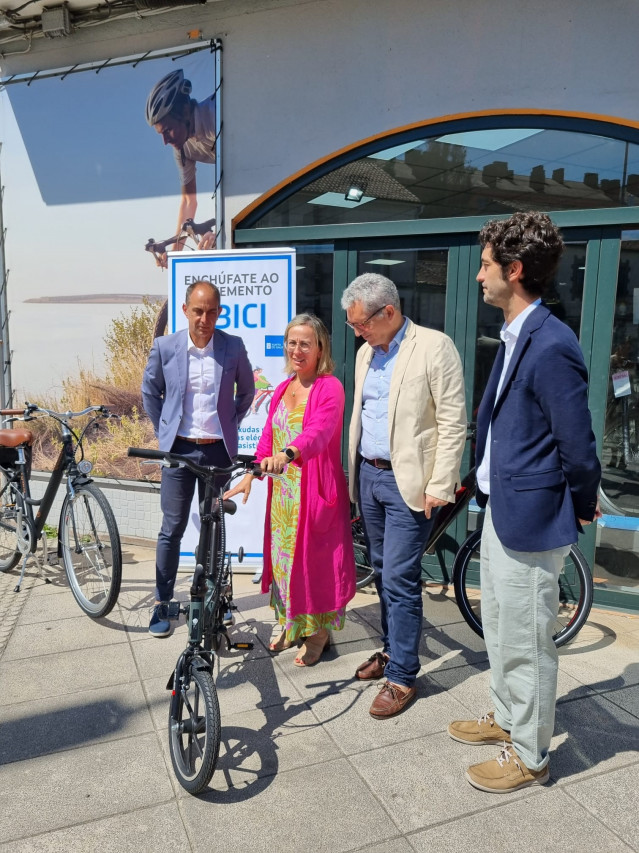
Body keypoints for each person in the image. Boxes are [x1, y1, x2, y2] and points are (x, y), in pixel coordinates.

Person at [448, 211, 601, 793]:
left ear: (514, 271)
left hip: (533, 520)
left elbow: (579, 446)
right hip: (503, 507)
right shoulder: (517, 335)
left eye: (486, 266)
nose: (479, 277)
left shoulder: (551, 344)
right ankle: (508, 718)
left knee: (529, 640)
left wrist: (581, 505)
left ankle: (531, 753)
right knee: (503, 628)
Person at [342, 274, 466, 718]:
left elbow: (453, 422)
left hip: (408, 482)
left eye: (362, 324)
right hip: (369, 477)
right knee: (379, 571)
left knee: (399, 577)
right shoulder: (364, 355)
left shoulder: (434, 347)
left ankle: (403, 677)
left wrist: (440, 483)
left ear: (388, 312)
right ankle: (392, 650)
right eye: (354, 325)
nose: (358, 332)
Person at [225, 313, 356, 666]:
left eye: (305, 343)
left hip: (314, 494)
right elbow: (269, 435)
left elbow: (318, 432)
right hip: (283, 496)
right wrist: (252, 473)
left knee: (315, 567)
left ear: (320, 348)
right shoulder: (284, 386)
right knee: (284, 564)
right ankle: (291, 623)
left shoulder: (329, 387)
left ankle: (318, 634)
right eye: (292, 342)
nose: (296, 350)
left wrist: (288, 454)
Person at [142, 280, 254, 636]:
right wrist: (166, 431)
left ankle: (214, 599)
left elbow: (247, 392)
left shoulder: (232, 347)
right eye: (197, 311)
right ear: (185, 310)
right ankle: (162, 602)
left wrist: (227, 425)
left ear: (219, 312)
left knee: (213, 524)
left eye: (211, 311)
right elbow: (150, 391)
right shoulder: (166, 347)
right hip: (178, 451)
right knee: (171, 527)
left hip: (216, 452)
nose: (204, 319)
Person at [145, 69, 217, 263]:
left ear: (185, 111)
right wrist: (175, 255)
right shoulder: (182, 147)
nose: (165, 141)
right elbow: (188, 202)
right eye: (160, 134)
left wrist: (219, 232)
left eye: (168, 130)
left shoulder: (216, 116)